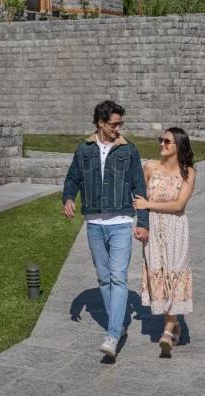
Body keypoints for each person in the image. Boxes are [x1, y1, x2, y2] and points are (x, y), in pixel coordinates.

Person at [63, 100, 150, 358]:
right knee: (103, 277)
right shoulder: (84, 149)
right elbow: (72, 179)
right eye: (114, 124)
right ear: (101, 123)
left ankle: (112, 335)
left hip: (121, 223)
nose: (118, 128)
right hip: (94, 224)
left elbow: (139, 188)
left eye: (120, 123)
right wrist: (68, 198)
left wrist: (143, 223)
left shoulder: (128, 151)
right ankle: (120, 325)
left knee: (118, 277)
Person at [133, 126, 195, 358]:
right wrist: (142, 225)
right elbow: (139, 199)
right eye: (161, 140)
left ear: (179, 145)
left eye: (167, 141)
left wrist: (149, 206)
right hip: (155, 229)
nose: (162, 144)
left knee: (176, 273)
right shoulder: (149, 167)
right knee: (159, 273)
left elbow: (179, 205)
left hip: (176, 228)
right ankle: (175, 324)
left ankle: (168, 331)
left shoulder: (188, 172)